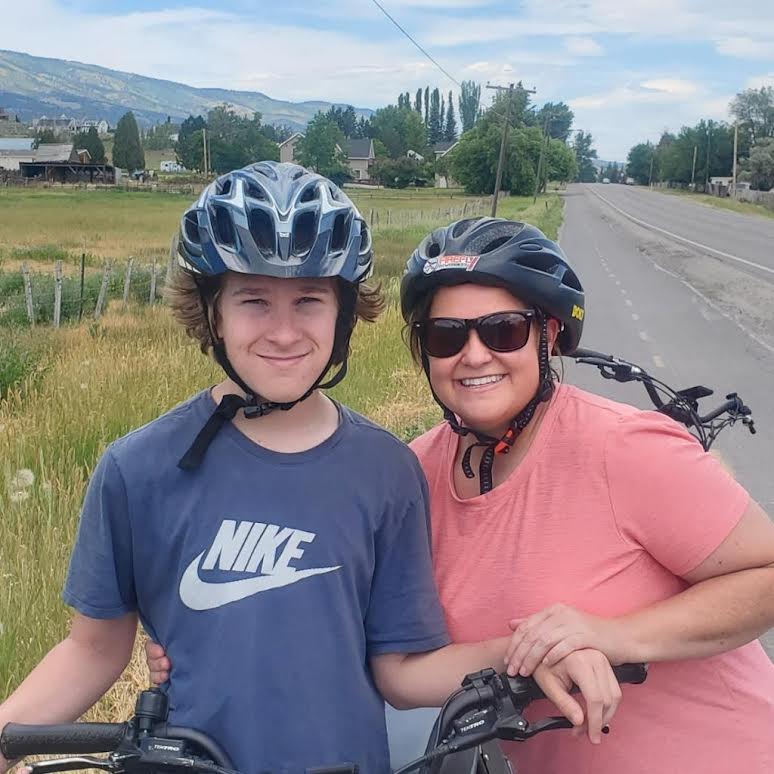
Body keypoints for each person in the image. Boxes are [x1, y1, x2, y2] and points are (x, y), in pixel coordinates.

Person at [0, 169, 620, 774]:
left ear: (344, 315)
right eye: (253, 301)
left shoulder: (384, 472)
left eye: (308, 300)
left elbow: (401, 673)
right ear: (211, 313)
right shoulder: (138, 469)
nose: (284, 330)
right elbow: (92, 651)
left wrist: (530, 655)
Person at [396, 217, 774, 773]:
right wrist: (535, 654)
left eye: (503, 330)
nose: (473, 355)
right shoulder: (413, 474)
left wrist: (612, 636)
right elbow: (405, 672)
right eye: (447, 335)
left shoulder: (624, 447)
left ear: (548, 335)